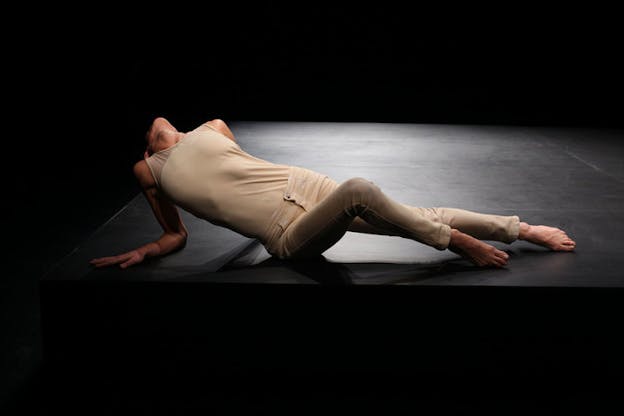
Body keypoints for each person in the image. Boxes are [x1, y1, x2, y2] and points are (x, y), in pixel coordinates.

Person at [89, 117, 576, 270]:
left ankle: (520, 228)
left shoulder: (212, 126)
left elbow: (244, 171)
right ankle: (455, 242)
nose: (160, 123)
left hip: (306, 187)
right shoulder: (147, 171)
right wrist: (146, 248)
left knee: (413, 211)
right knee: (361, 188)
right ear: (148, 141)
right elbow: (175, 235)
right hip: (287, 233)